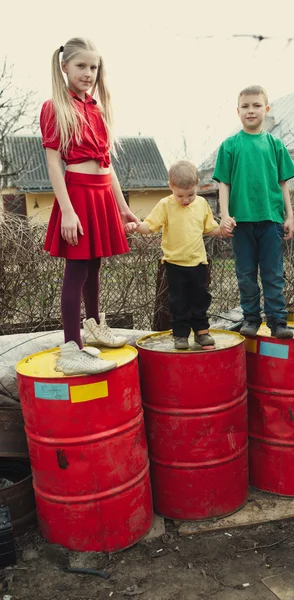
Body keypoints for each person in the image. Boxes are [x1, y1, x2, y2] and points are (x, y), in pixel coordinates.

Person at [40, 38, 139, 375]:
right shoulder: (55, 107)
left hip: (101, 195)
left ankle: (94, 324)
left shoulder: (97, 108)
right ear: (65, 67)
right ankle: (71, 348)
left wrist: (122, 206)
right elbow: (54, 165)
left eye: (93, 67)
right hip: (78, 196)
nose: (88, 73)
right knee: (77, 270)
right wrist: (67, 210)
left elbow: (105, 165)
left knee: (94, 265)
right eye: (81, 66)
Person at [213, 85, 294, 339]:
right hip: (241, 222)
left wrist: (289, 215)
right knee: (246, 274)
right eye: (246, 106)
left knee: (273, 274)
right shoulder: (229, 145)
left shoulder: (275, 144)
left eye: (257, 105)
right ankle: (251, 319)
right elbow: (224, 184)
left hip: (271, 220)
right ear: (237, 112)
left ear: (266, 109)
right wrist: (225, 215)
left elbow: (284, 183)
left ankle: (277, 322)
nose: (251, 110)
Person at [125, 161, 229, 350]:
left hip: (198, 262)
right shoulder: (165, 205)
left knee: (200, 298)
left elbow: (210, 228)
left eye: (191, 194)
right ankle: (180, 334)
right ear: (170, 187)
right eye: (180, 195)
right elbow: (150, 226)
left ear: (196, 186)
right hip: (174, 263)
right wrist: (136, 226)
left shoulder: (202, 204)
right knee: (178, 300)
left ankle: (202, 331)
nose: (186, 200)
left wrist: (222, 230)